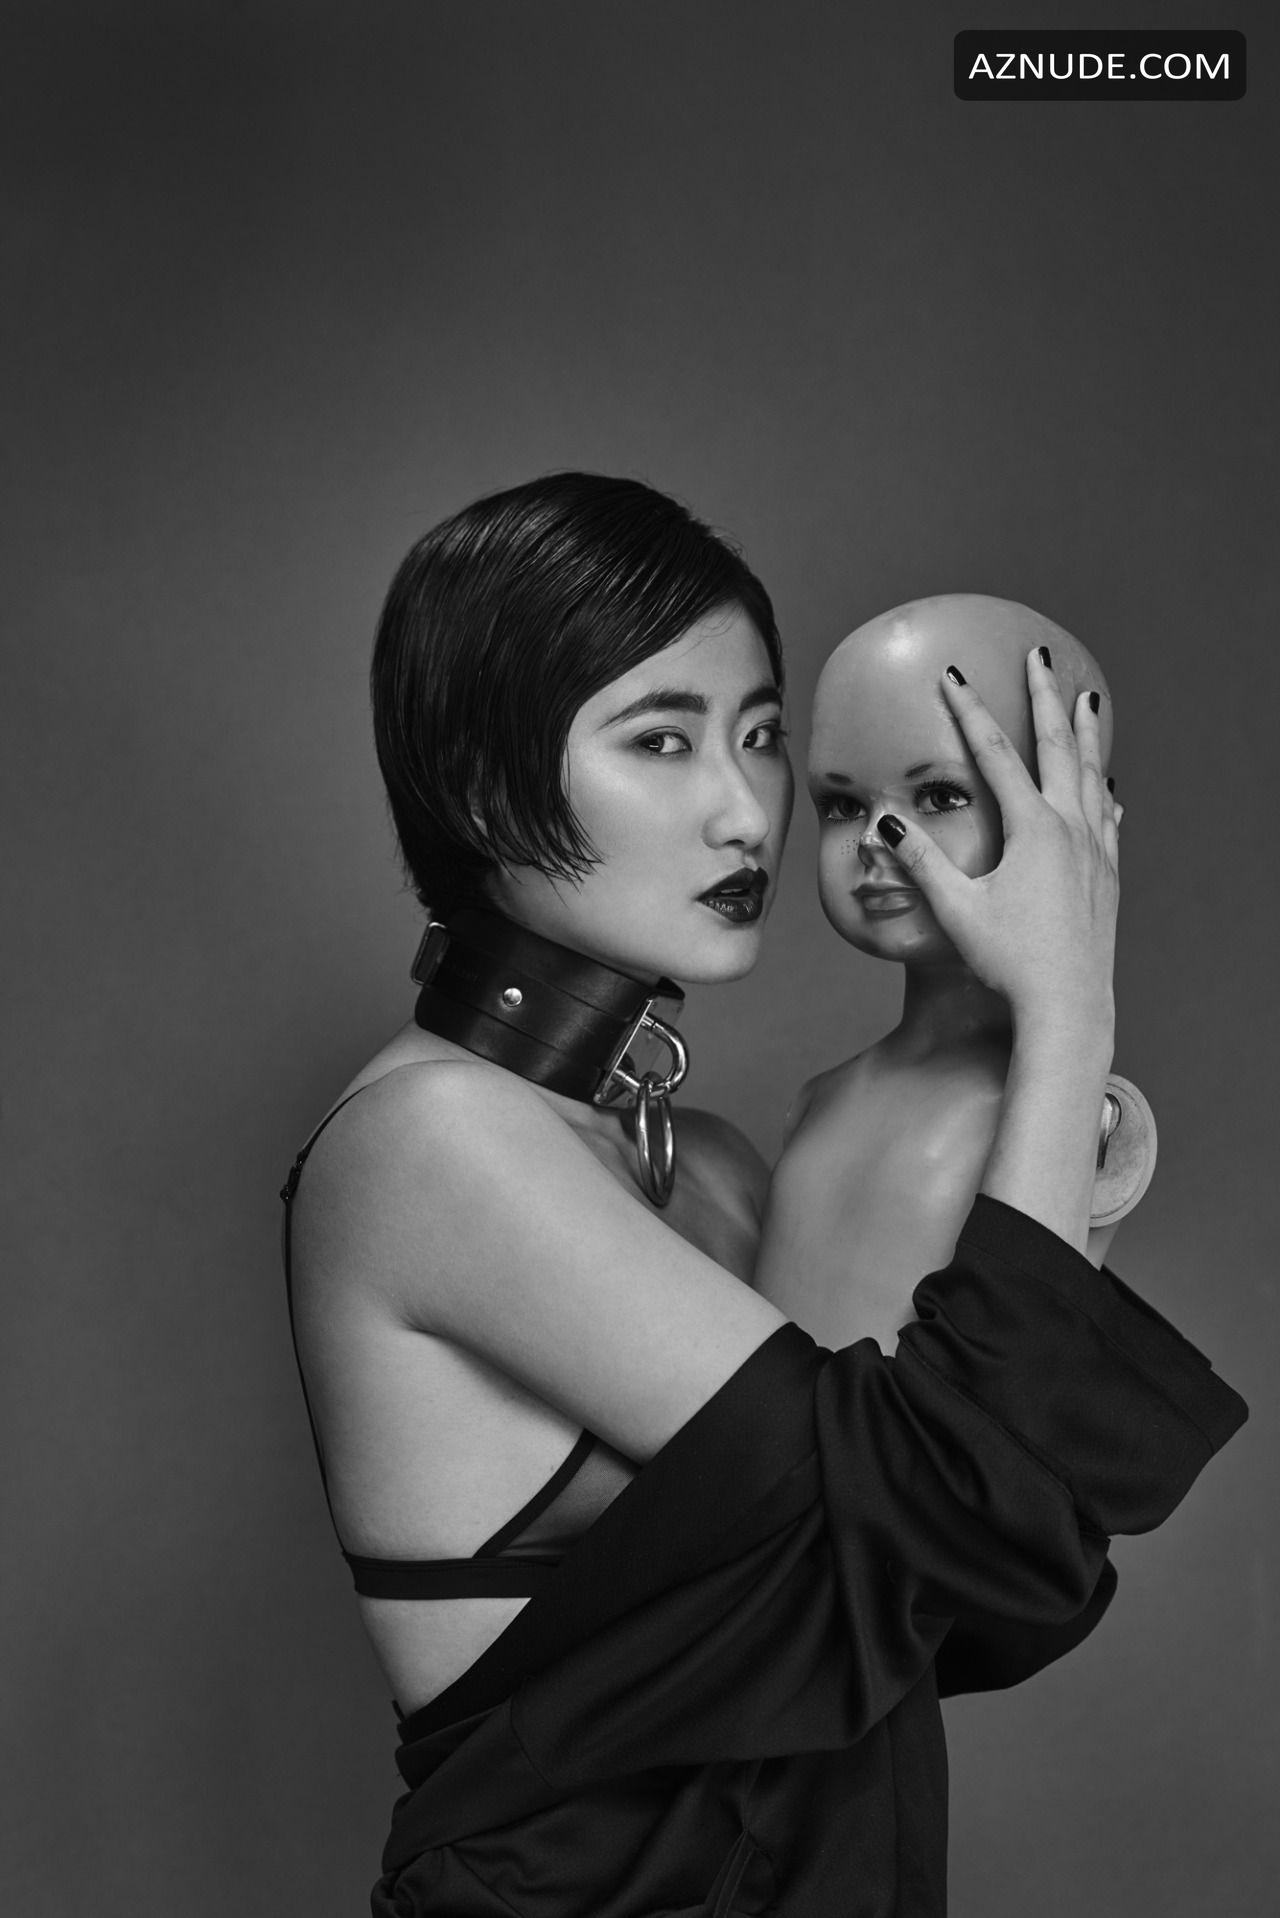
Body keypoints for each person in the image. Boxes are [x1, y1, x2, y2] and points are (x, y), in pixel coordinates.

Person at [281, 475, 1244, 1916]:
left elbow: (966, 1594)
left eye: (762, 735)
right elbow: (938, 1507)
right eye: (662, 739)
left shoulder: (717, 1165)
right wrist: (1066, 1011)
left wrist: (1018, 1081)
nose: (747, 812)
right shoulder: (431, 1144)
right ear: (485, 787)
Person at [758, 594, 1155, 1351]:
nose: (875, 840)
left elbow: (1004, 1378)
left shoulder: (1087, 1122)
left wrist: (1069, 994)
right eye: (840, 804)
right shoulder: (817, 1100)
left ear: (1067, 817)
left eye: (940, 796)